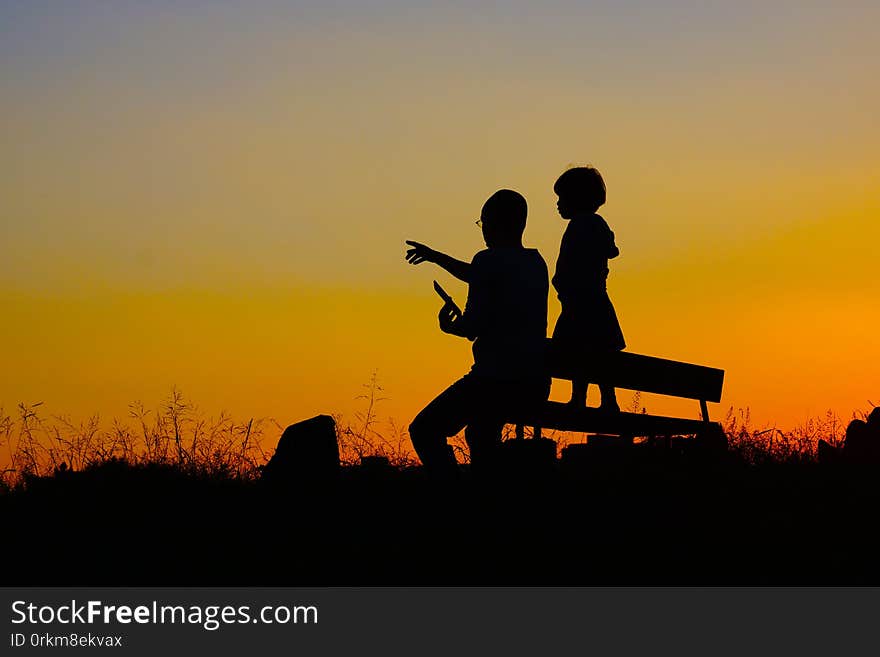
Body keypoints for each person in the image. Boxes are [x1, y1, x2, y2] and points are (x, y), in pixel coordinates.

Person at [404, 189, 550, 476]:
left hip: (494, 380)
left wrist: (452, 326)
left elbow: (472, 326)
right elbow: (483, 274)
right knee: (480, 434)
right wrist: (437, 257)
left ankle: (457, 495)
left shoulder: (487, 261)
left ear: (494, 223)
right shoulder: (535, 263)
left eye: (483, 222)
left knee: (424, 429)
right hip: (534, 383)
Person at [551, 166, 625, 411]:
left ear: (577, 198)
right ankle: (608, 401)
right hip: (595, 302)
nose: (558, 204)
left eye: (562, 198)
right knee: (600, 352)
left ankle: (580, 399)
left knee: (578, 351)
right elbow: (610, 249)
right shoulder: (597, 224)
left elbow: (572, 264)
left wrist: (561, 283)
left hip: (579, 303)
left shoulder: (580, 226)